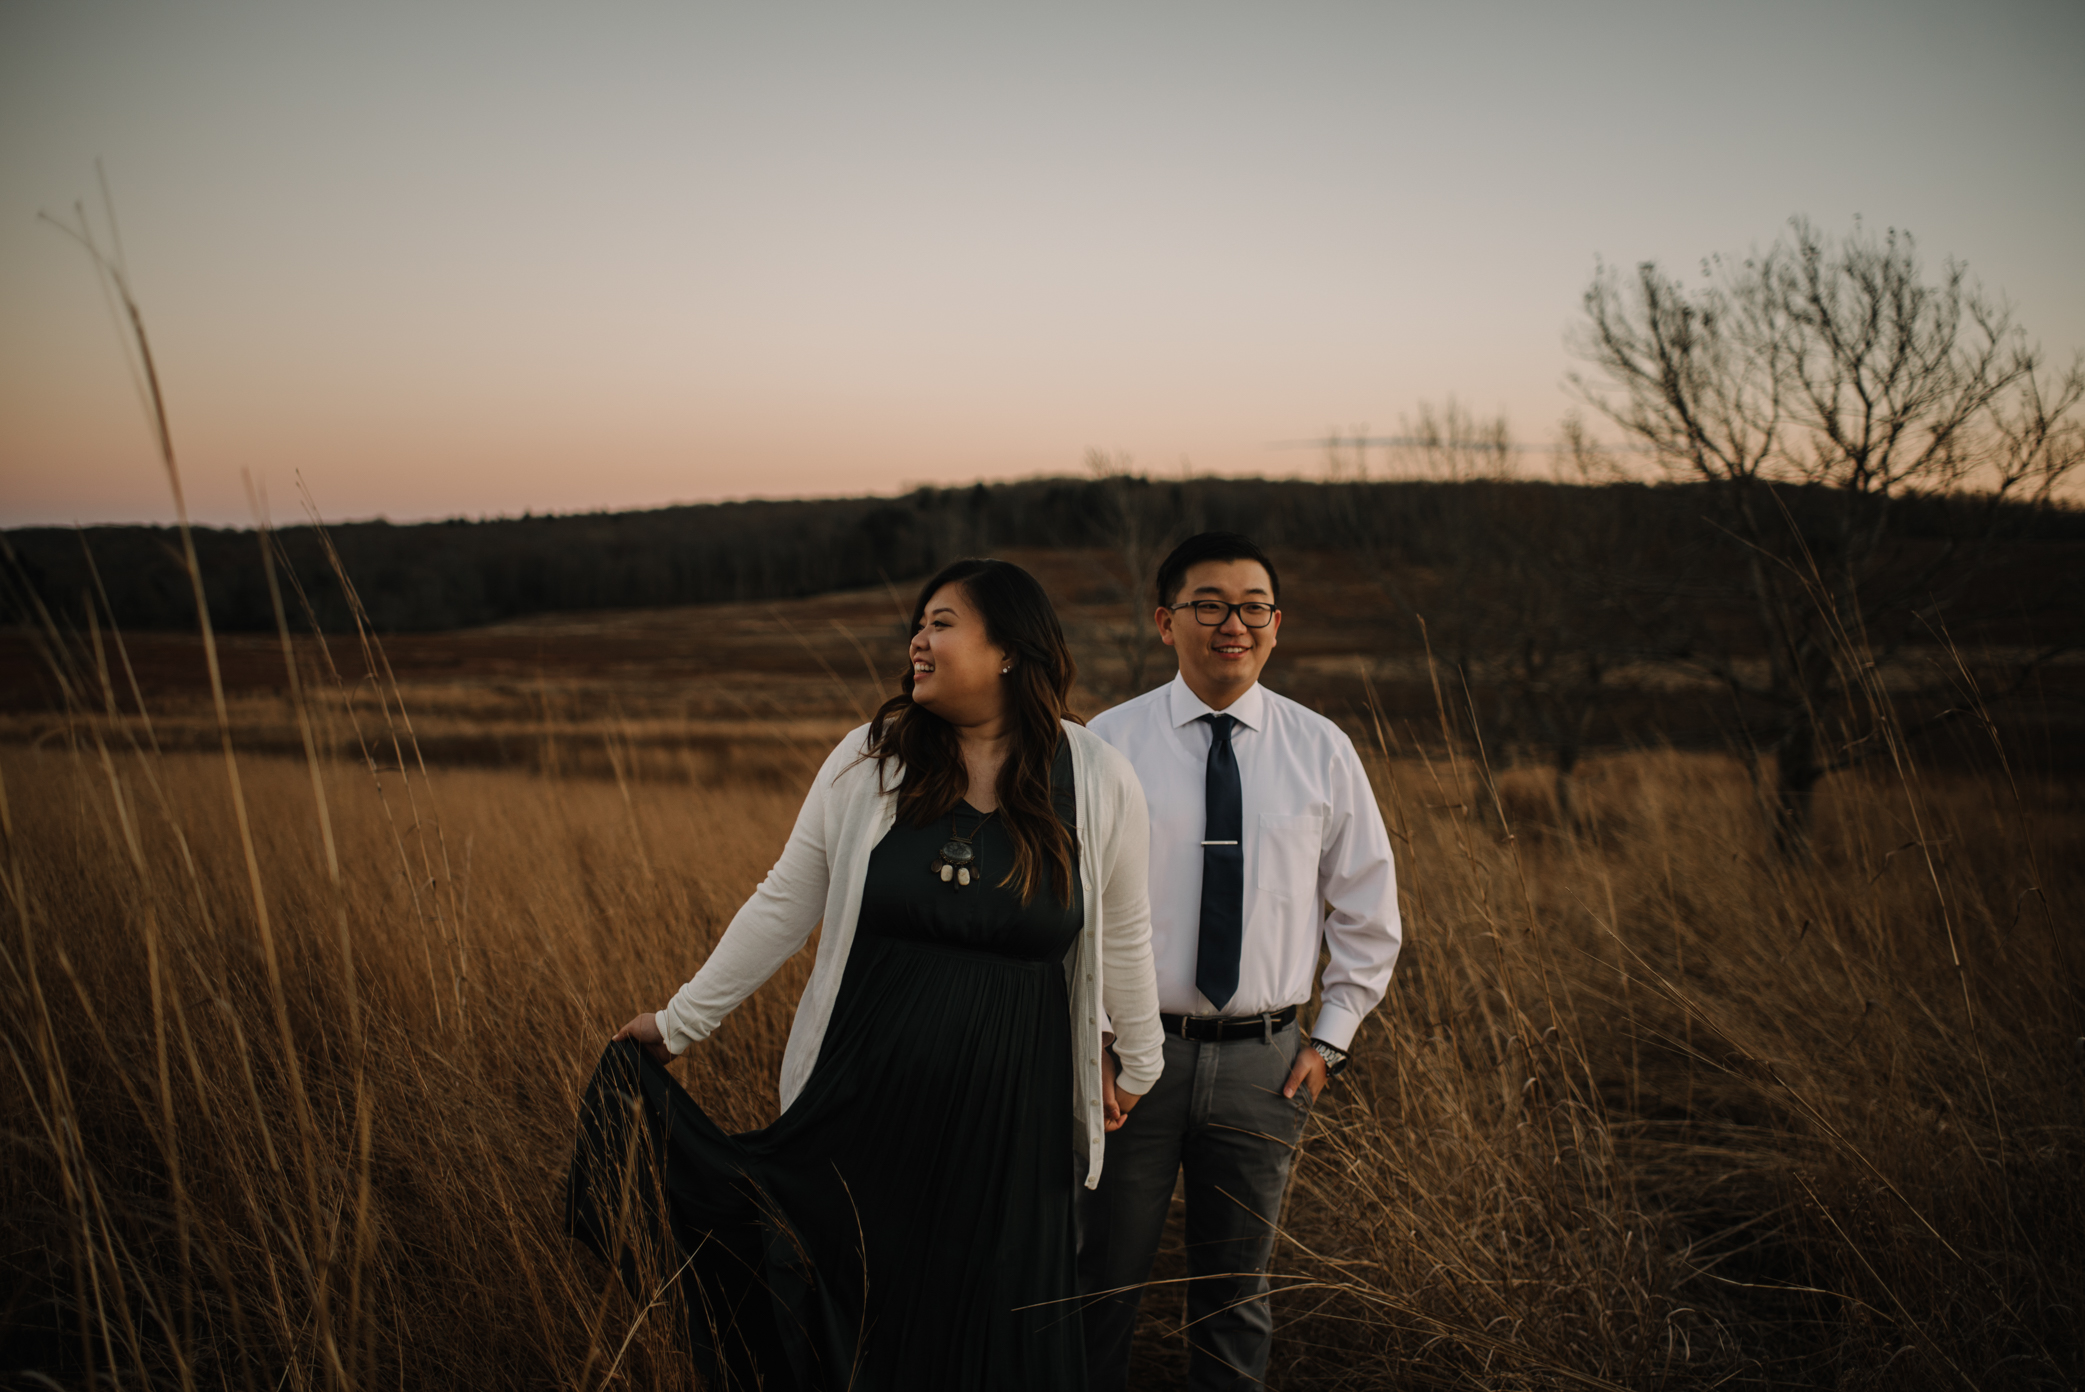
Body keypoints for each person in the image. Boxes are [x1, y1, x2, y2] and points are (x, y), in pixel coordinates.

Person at [565, 557, 1164, 1392]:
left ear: (1007, 651)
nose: (917, 639)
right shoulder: (872, 760)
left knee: (990, 1321)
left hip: (1011, 1121)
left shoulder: (1095, 777)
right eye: (917, 624)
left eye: (942, 622)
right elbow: (783, 902)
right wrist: (677, 1024)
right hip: (864, 1102)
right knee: (865, 1314)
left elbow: (1123, 934)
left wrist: (1137, 1061)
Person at [1079, 532, 1402, 1391]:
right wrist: (1099, 1045)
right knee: (1099, 1284)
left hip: (1268, 1064)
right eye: (1209, 604)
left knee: (1236, 1292)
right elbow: (1072, 912)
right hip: (1129, 1067)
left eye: (1252, 606)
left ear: (1275, 623)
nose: (1234, 623)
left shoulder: (1320, 747)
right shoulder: (1106, 745)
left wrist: (1328, 1040)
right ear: (1164, 621)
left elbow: (1368, 910)